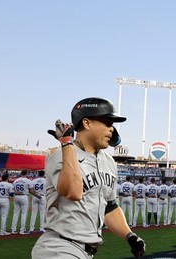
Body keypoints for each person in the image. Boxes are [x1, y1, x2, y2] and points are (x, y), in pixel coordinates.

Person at [31, 97, 145, 258]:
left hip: (85, 252)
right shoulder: (61, 156)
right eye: (107, 122)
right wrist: (66, 144)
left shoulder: (109, 161)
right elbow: (73, 192)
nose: (112, 129)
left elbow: (109, 207)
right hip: (59, 248)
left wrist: (130, 236)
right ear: (87, 123)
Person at [11, 169, 37, 235]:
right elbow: (31, 191)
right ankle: (22, 230)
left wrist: (16, 192)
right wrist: (38, 196)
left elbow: (12, 191)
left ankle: (13, 230)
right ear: (26, 173)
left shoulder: (16, 180)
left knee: (16, 213)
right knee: (24, 214)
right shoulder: (28, 181)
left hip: (16, 196)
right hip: (24, 196)